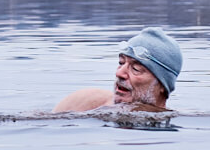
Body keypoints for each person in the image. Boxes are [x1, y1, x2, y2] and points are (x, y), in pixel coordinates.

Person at [53, 27, 182, 113]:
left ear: (162, 86)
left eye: (136, 69)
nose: (119, 73)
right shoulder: (86, 101)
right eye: (121, 63)